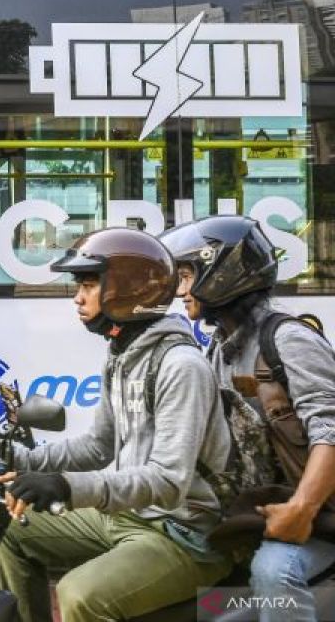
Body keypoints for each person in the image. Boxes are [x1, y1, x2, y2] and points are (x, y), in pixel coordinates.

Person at [0, 227, 233, 622]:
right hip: (126, 516)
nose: (77, 296)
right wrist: (21, 459)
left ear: (127, 290)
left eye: (88, 284)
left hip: (182, 533)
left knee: (79, 594)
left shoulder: (181, 366)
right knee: (9, 528)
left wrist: (67, 486)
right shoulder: (122, 354)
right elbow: (97, 447)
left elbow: (168, 482)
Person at [161, 216, 335, 621]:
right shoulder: (221, 348)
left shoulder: (289, 340)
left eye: (187, 276)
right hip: (260, 506)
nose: (179, 291)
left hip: (320, 515)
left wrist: (301, 510)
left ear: (222, 276)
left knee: (274, 571)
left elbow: (331, 430)